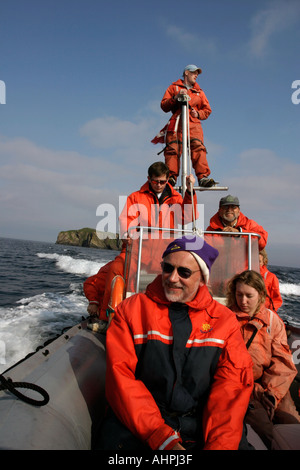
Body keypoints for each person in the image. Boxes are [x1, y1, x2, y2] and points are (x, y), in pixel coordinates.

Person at [96, 235, 254, 450]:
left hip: (199, 425)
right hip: (141, 425)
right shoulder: (131, 310)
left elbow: (230, 390)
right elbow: (121, 377)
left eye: (184, 272)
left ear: (202, 279)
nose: (172, 278)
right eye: (167, 268)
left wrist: (219, 445)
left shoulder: (225, 322)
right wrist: (161, 438)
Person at [84, 162, 197, 322]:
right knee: (117, 267)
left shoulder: (177, 198)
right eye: (155, 181)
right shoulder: (135, 197)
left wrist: (190, 191)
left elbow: (188, 216)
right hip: (138, 250)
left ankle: (177, 318)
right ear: (148, 179)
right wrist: (127, 233)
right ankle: (107, 317)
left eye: (162, 182)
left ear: (167, 180)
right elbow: (127, 219)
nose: (159, 185)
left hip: (164, 252)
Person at [226, 270, 300, 449]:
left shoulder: (273, 322)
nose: (243, 301)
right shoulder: (226, 319)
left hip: (273, 387)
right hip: (243, 387)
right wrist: (256, 390)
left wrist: (272, 394)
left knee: (293, 424)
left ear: (260, 295)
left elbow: (283, 363)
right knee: (265, 430)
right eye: (239, 295)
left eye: (249, 296)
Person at [152, 64, 216, 188]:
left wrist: (198, 113)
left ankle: (203, 177)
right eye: (193, 73)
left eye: (197, 73)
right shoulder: (174, 87)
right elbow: (164, 105)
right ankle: (170, 177)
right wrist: (176, 98)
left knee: (198, 148)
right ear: (186, 73)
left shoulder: (199, 92)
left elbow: (207, 110)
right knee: (172, 149)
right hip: (177, 123)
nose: (196, 75)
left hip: (193, 125)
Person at [259, 249, 283, 313]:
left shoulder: (271, 277)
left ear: (264, 261)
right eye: (254, 261)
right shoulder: (245, 275)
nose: (257, 264)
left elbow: (276, 300)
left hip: (264, 313)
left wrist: (269, 312)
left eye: (259, 261)